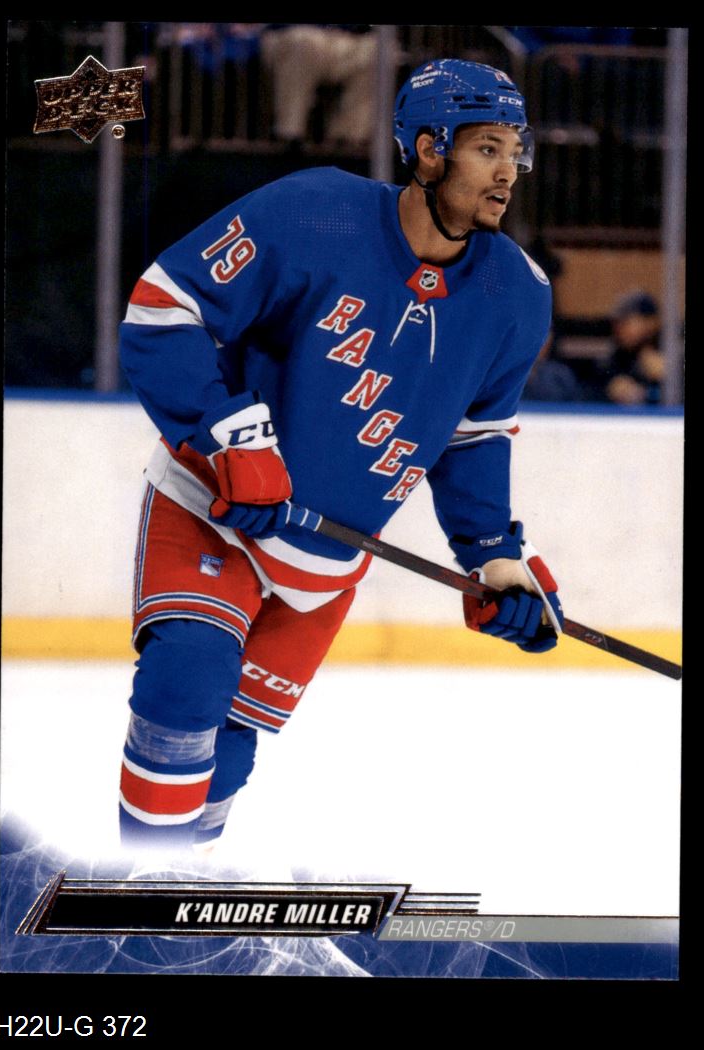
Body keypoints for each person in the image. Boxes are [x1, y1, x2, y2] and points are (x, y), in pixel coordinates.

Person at [118, 59, 564, 852]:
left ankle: (180, 897)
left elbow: (474, 435)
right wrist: (231, 437)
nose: (508, 172)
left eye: (515, 151)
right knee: (186, 679)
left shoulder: (518, 296)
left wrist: (495, 555)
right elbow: (164, 305)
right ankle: (135, 891)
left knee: (230, 754)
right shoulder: (315, 211)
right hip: (214, 509)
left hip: (327, 561)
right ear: (428, 149)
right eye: (488, 149)